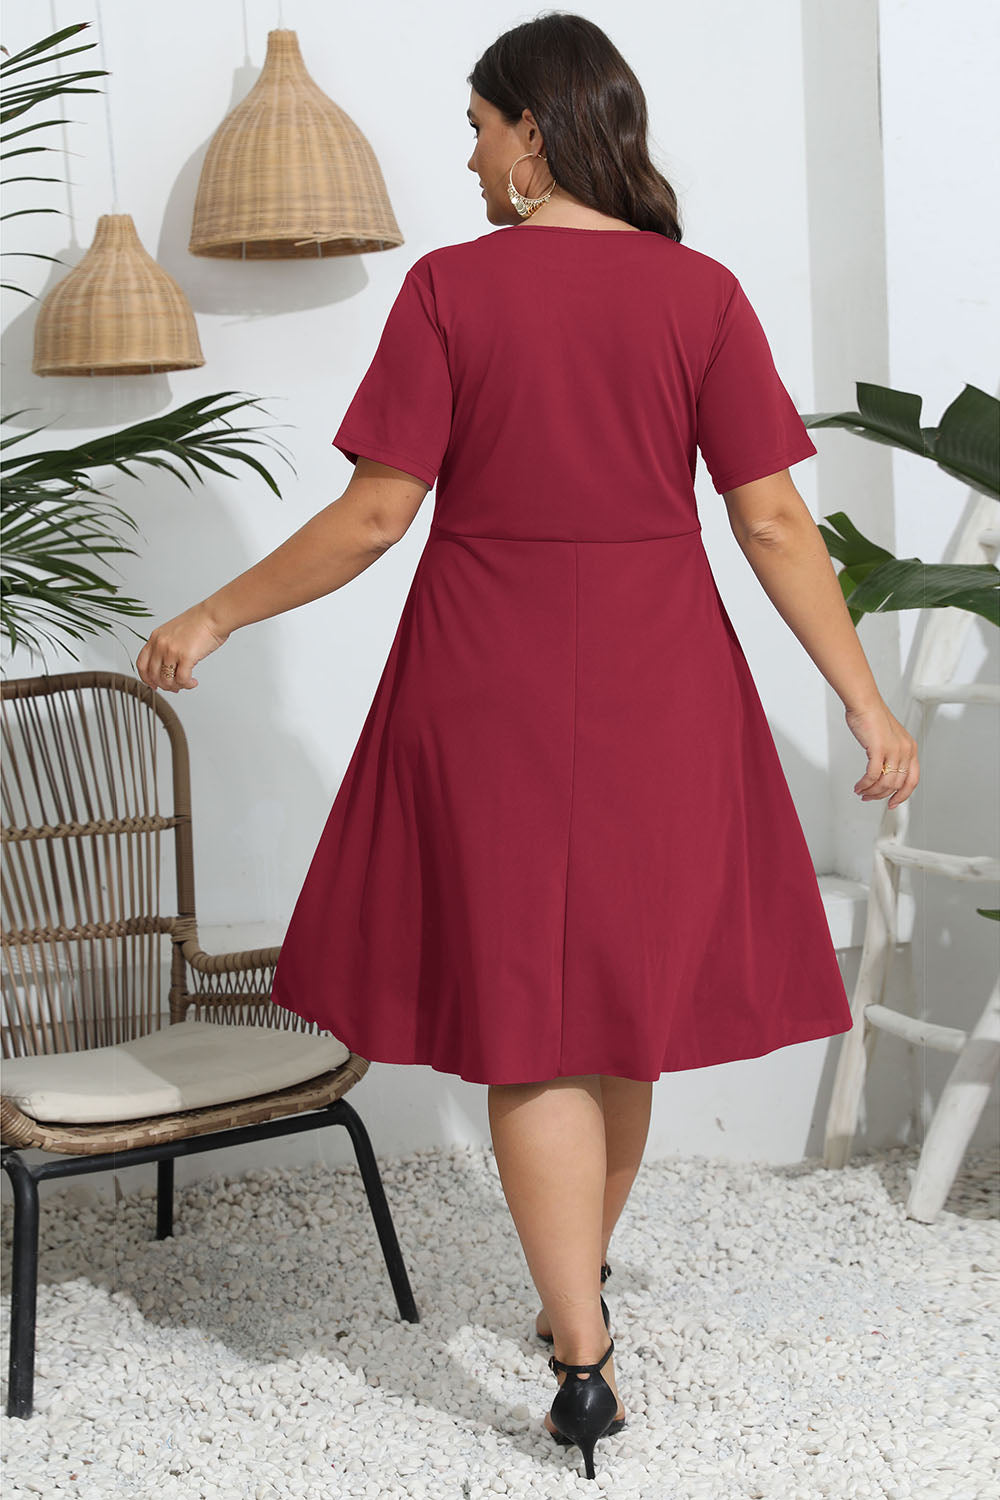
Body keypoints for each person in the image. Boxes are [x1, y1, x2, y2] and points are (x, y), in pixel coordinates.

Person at [135, 12, 919, 1483]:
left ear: (534, 132)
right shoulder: (699, 295)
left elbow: (378, 516)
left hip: (483, 680)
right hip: (661, 686)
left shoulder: (451, 292)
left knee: (532, 1015)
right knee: (611, 1004)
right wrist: (864, 703)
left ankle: (578, 1352)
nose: (469, 149)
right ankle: (580, 1321)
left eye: (481, 122)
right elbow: (769, 523)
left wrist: (218, 612)